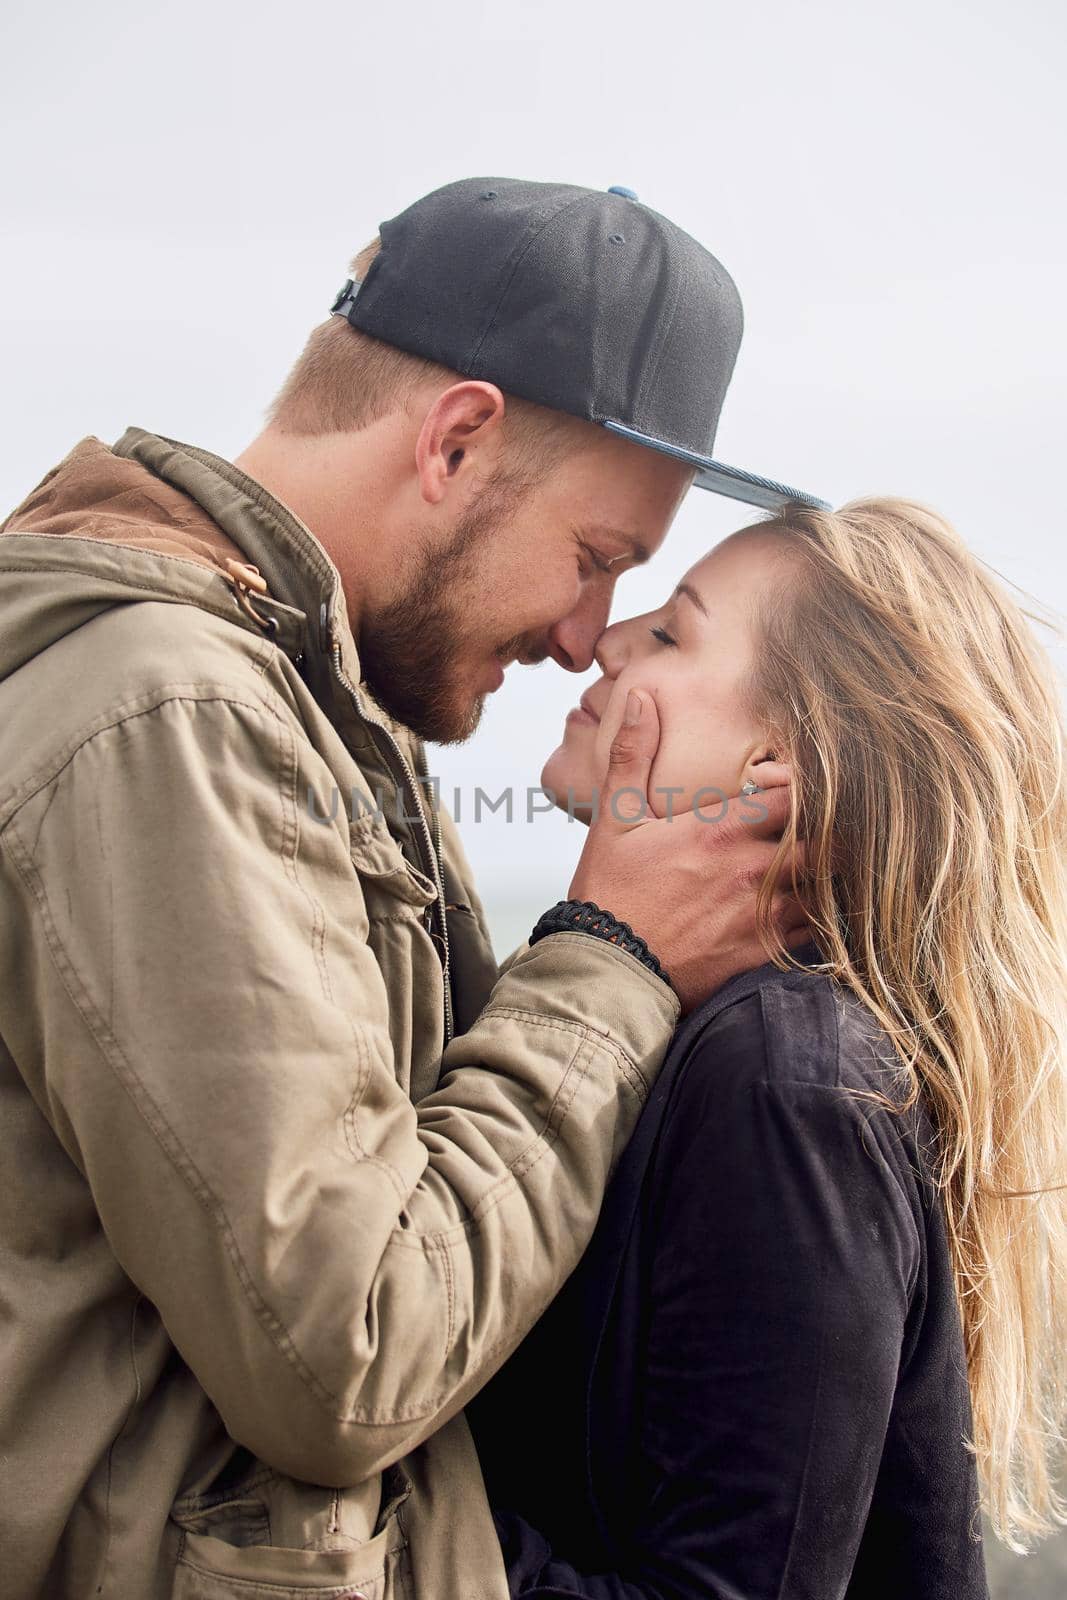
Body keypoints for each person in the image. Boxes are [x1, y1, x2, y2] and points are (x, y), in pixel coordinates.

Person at [0, 178, 823, 1598]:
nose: (581, 641)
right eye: (593, 560)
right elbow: (351, 1348)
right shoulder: (172, 715)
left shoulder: (314, 705)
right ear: (455, 441)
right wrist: (612, 951)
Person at [470, 499, 1067, 1599]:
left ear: (769, 769)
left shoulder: (785, 1077)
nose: (603, 638)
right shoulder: (708, 1042)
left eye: (670, 633)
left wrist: (372, 1542)